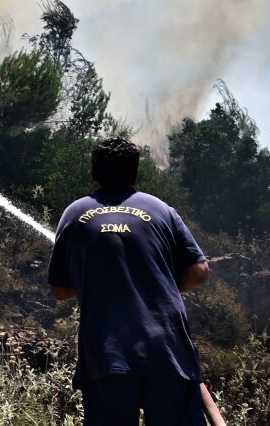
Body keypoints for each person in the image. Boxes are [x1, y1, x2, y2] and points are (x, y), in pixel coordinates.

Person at [48, 137, 222, 425]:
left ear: (94, 173)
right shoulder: (162, 210)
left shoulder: (75, 213)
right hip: (168, 350)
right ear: (135, 174)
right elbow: (199, 271)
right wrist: (157, 283)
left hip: (108, 354)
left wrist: (99, 281)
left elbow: (59, 290)